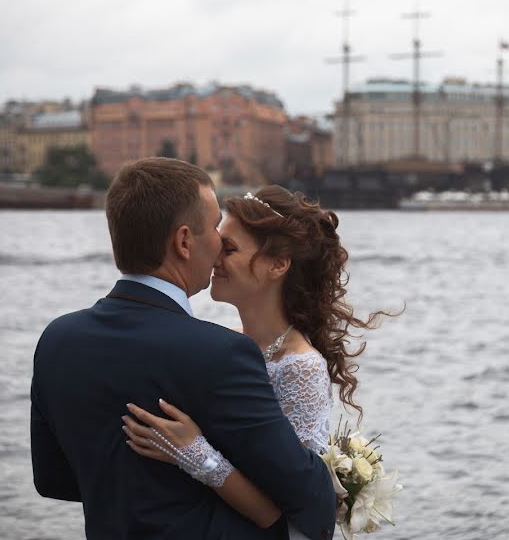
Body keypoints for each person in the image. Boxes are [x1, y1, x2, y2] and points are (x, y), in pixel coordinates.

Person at [30, 158, 336, 540]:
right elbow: (315, 504)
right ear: (184, 241)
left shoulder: (57, 339)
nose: (219, 251)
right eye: (214, 233)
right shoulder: (221, 352)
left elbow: (51, 480)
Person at [121, 185, 390, 537]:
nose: (214, 258)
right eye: (217, 244)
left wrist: (195, 454)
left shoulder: (300, 367)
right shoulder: (223, 343)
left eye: (228, 249)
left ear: (278, 264)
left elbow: (295, 501)